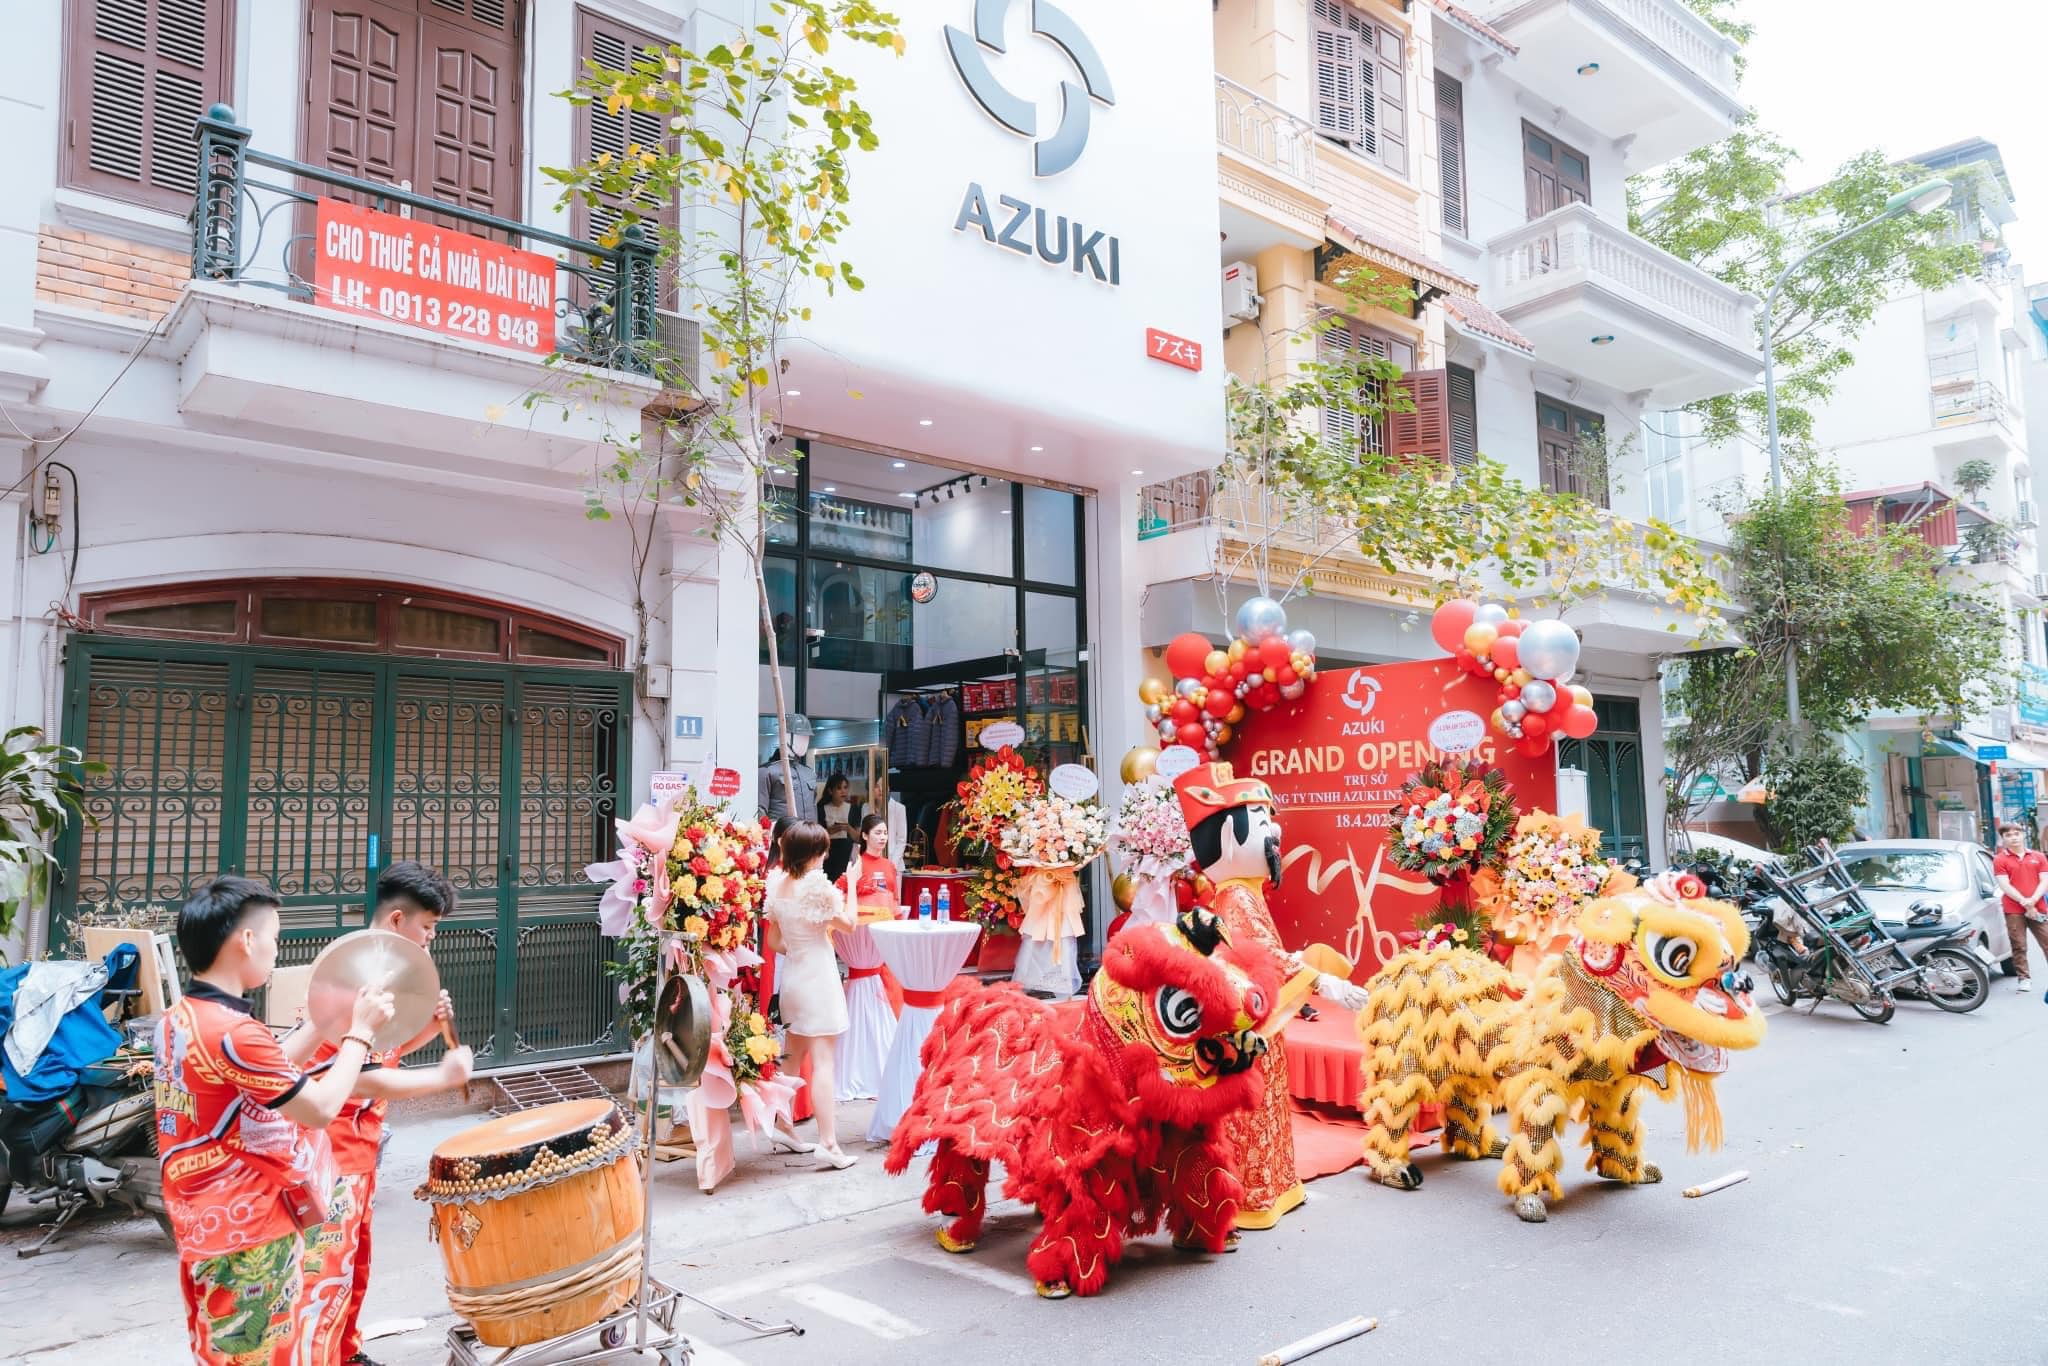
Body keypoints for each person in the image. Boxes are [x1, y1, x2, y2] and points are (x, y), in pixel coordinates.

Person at [154, 876, 394, 1364]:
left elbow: (270, 1072)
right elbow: (320, 1107)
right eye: (275, 938)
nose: (276, 951)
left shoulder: (179, 1018)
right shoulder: (235, 1032)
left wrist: (325, 1021)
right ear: (247, 940)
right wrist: (361, 1033)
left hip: (203, 1225)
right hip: (250, 1234)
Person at [289, 862, 473, 1366]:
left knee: (353, 1260)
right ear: (397, 920)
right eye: (427, 927)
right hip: (333, 1148)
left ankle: (346, 1351)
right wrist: (441, 1077)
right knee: (325, 1271)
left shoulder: (384, 974)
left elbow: (382, 1050)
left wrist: (429, 1030)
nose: (431, 938)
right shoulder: (348, 977)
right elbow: (357, 1077)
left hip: (363, 1144)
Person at [765, 820, 861, 1169]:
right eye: (822, 850)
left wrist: (799, 948)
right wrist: (852, 883)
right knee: (823, 1062)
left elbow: (774, 941)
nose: (825, 855)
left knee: (792, 1056)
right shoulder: (817, 887)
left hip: (793, 978)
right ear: (812, 853)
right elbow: (850, 924)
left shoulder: (778, 884)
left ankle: (783, 1125)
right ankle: (829, 1144)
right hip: (818, 978)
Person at [1991, 821, 2048, 994]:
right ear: (2003, 838)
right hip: (2013, 910)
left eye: (2016, 834)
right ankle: (2024, 978)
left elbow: (2044, 880)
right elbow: (2004, 885)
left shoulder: (2038, 856)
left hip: (2038, 908)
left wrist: (2033, 900)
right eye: (2008, 835)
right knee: (2019, 945)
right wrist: (2025, 902)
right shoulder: (2000, 859)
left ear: (2023, 835)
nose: (2013, 838)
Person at [840, 813, 900, 917]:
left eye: (885, 833)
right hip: (864, 921)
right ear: (865, 835)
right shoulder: (857, 865)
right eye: (878, 833)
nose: (883, 837)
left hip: (888, 921)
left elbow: (895, 899)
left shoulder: (890, 865)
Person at [818, 773, 861, 883]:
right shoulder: (821, 809)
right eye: (839, 788)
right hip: (828, 855)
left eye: (845, 787)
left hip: (847, 856)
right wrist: (829, 831)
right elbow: (816, 837)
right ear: (830, 791)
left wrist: (847, 828)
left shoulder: (854, 809)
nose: (843, 791)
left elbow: (858, 838)